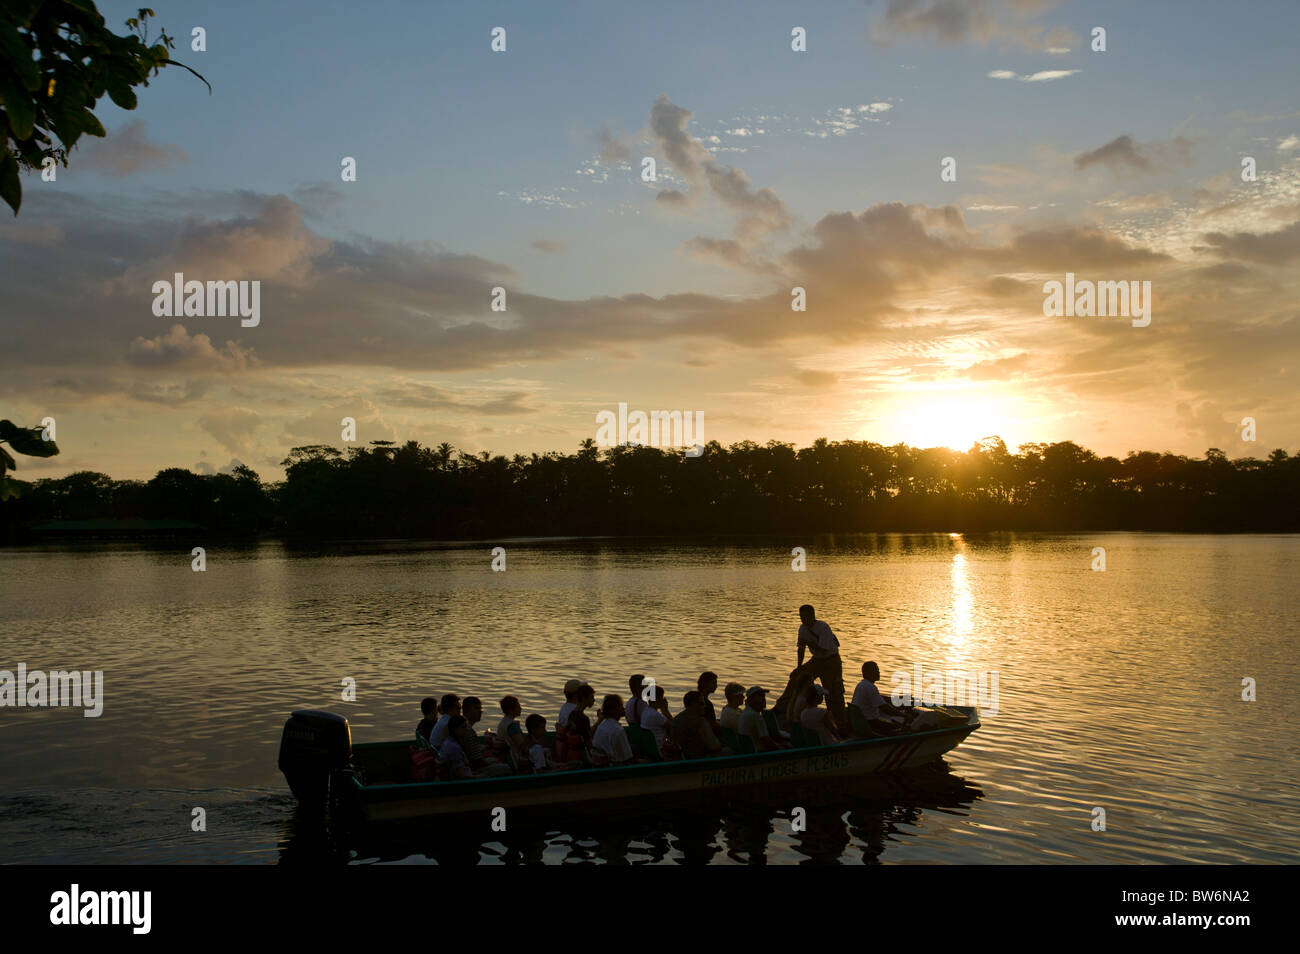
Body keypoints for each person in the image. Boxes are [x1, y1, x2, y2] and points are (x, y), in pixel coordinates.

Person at [773, 605, 847, 728]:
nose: (803, 619)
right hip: (816, 659)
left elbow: (824, 650)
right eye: (801, 616)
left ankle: (837, 719)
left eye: (805, 616)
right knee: (797, 678)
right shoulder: (802, 629)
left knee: (832, 690)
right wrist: (799, 667)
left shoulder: (823, 627)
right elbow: (801, 649)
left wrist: (810, 643)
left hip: (831, 661)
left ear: (812, 615)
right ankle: (781, 707)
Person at [851, 661, 909, 735]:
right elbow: (884, 708)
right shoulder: (870, 687)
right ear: (868, 673)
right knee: (901, 728)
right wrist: (904, 715)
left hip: (862, 721)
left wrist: (898, 699)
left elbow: (879, 698)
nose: (878, 673)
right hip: (870, 723)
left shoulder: (862, 684)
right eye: (876, 671)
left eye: (878, 670)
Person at [672, 690, 726, 759]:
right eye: (702, 703)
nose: (705, 706)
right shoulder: (700, 722)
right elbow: (714, 746)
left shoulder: (676, 719)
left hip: (683, 757)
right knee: (730, 751)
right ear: (693, 704)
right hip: (701, 759)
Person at [591, 694, 637, 766]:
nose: (623, 708)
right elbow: (628, 758)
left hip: (599, 764)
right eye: (621, 706)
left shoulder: (602, 725)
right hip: (612, 766)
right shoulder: (618, 730)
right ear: (614, 710)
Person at [738, 686, 788, 752]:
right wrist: (781, 747)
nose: (764, 699)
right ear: (751, 700)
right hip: (759, 752)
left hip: (749, 750)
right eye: (760, 696)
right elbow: (766, 740)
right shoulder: (756, 716)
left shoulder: (745, 712)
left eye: (763, 696)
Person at [639, 684, 673, 757]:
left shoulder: (645, 711)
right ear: (657, 699)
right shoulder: (655, 715)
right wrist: (665, 711)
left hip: (650, 748)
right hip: (661, 750)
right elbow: (674, 727)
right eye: (662, 697)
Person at [497, 695, 528, 760]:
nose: (521, 708)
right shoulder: (512, 725)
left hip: (505, 756)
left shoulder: (502, 722)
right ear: (510, 710)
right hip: (515, 758)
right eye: (518, 707)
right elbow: (522, 746)